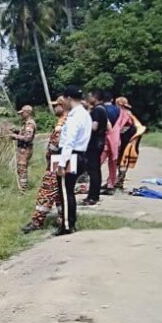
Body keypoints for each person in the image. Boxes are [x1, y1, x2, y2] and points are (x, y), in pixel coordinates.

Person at [22, 98, 66, 232]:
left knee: (47, 190)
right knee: (60, 191)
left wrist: (49, 153)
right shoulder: (67, 121)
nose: (54, 108)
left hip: (57, 160)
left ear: (62, 106)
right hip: (62, 160)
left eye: (56, 106)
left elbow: (56, 145)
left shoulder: (63, 123)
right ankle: (63, 217)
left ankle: (37, 221)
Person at [54, 86, 91, 236]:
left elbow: (69, 142)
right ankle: (69, 222)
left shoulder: (75, 116)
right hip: (80, 154)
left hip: (71, 155)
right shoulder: (84, 114)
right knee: (68, 191)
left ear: (69, 98)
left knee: (65, 191)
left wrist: (62, 164)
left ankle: (67, 225)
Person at [83, 90, 108, 206]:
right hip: (100, 141)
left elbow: (94, 126)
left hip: (94, 143)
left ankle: (93, 196)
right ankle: (94, 194)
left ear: (95, 97)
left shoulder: (97, 110)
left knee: (93, 170)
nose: (88, 98)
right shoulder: (103, 109)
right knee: (96, 169)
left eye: (90, 96)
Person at [115, 98, 147, 189]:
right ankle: (119, 180)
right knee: (123, 159)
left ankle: (119, 181)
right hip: (128, 138)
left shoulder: (124, 113)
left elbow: (120, 126)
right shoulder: (129, 113)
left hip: (124, 137)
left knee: (121, 159)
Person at [9, 105, 37, 192]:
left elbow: (27, 138)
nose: (21, 115)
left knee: (22, 169)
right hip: (23, 150)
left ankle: (23, 190)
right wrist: (16, 131)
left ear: (28, 113)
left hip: (25, 150)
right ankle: (22, 187)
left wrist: (15, 136)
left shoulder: (30, 124)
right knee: (21, 168)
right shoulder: (26, 123)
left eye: (22, 113)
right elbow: (24, 133)